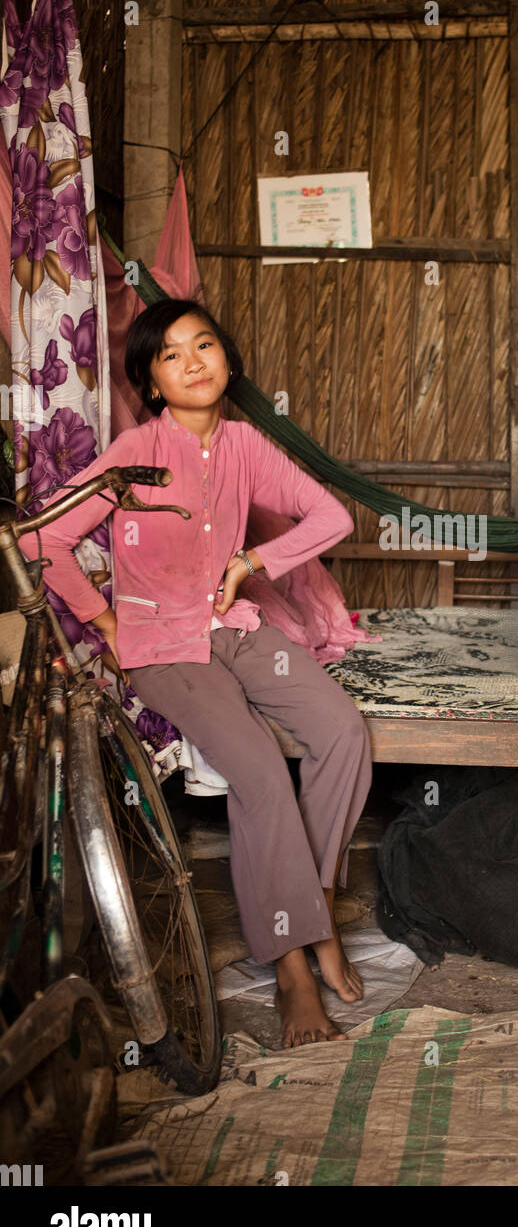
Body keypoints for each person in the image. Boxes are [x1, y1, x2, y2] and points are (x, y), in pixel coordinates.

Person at [19, 298, 372, 1049]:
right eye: (171, 355)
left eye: (204, 345)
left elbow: (331, 519)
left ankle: (318, 907)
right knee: (260, 770)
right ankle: (292, 969)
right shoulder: (131, 455)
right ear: (150, 383)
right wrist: (106, 620)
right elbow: (44, 541)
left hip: (236, 630)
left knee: (343, 731)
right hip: (159, 645)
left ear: (228, 361)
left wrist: (253, 562)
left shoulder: (246, 445)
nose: (194, 362)